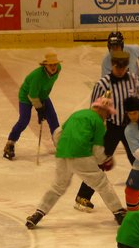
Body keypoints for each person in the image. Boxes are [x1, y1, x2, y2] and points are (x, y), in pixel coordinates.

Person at [25, 97, 127, 228]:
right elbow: (97, 149)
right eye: (107, 112)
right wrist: (105, 160)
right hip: (82, 156)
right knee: (102, 184)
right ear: (101, 110)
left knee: (57, 187)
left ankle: (38, 214)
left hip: (62, 154)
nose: (107, 116)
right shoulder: (98, 123)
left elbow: (57, 134)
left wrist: (64, 147)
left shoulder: (76, 114)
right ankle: (119, 213)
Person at [74, 50, 139, 212]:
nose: (121, 69)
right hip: (111, 128)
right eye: (117, 66)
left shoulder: (134, 81)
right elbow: (93, 110)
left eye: (123, 66)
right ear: (112, 65)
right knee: (101, 160)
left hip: (131, 128)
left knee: (138, 159)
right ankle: (83, 195)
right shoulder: (102, 84)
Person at [3, 52, 62, 160]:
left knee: (53, 118)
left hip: (42, 95)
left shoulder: (58, 69)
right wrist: (40, 109)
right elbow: (32, 95)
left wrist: (43, 105)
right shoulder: (37, 76)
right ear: (45, 65)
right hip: (27, 96)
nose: (53, 67)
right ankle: (10, 144)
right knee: (24, 120)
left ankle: (59, 143)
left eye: (55, 64)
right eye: (51, 65)